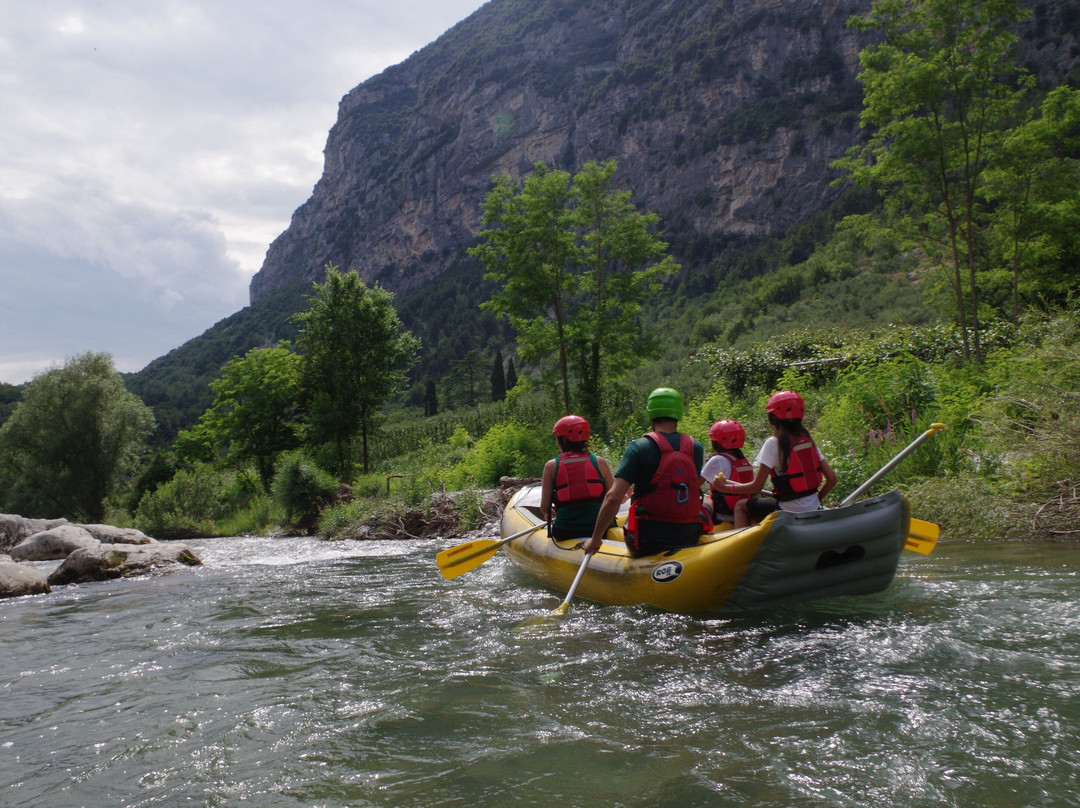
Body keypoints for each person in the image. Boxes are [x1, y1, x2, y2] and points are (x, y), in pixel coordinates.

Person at [582, 388, 705, 557]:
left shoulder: (639, 447)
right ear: (678, 414)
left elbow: (613, 497)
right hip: (689, 535)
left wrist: (595, 539)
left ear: (650, 414)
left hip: (647, 540)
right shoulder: (695, 447)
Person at [713, 390, 837, 528]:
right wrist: (815, 501)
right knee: (755, 511)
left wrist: (725, 488)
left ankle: (740, 546)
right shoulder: (808, 441)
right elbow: (832, 479)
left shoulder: (773, 443)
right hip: (813, 507)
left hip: (787, 510)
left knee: (741, 506)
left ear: (773, 418)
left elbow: (756, 486)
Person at [540, 415, 614, 540]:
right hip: (602, 529)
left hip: (566, 530)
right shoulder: (600, 462)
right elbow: (614, 499)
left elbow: (544, 507)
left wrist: (548, 513)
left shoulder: (551, 466)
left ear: (561, 440)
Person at [700, 419, 754, 525]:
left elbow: (695, 484)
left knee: (704, 498)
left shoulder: (717, 460)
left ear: (717, 442)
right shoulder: (743, 461)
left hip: (722, 515)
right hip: (743, 513)